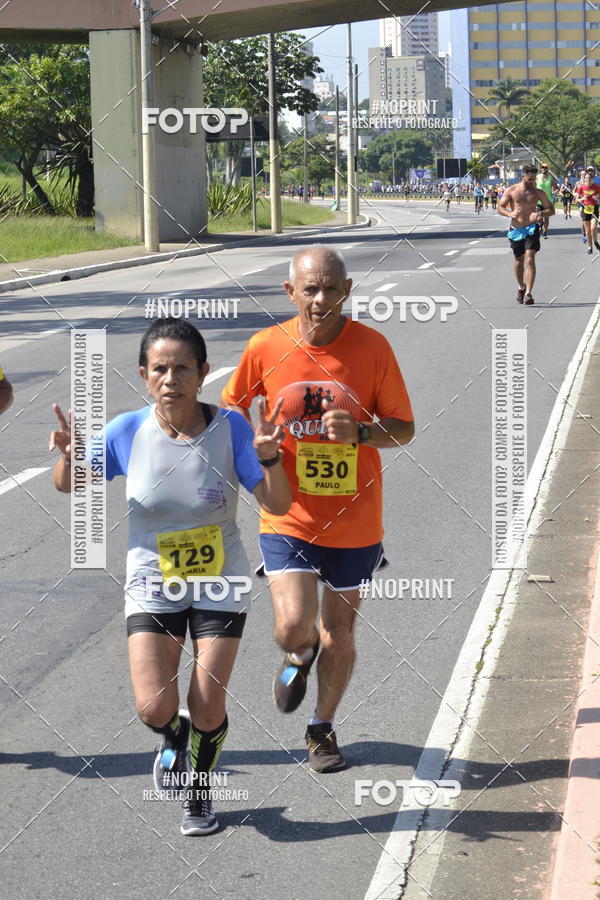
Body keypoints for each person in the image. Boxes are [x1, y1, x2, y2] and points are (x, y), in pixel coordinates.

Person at [49, 317, 290, 835]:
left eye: (182, 367)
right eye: (159, 368)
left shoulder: (232, 428)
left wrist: (270, 460)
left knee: (207, 704)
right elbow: (69, 484)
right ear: (143, 374)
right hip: (152, 582)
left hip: (220, 580)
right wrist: (69, 458)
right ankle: (174, 737)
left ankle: (199, 792)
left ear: (202, 372)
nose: (171, 378)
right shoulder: (127, 431)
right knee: (153, 706)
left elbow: (277, 503)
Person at [221, 246, 414, 773]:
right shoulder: (264, 347)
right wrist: (254, 449)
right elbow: (230, 413)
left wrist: (363, 433)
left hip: (356, 520)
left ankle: (321, 729)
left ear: (347, 291)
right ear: (291, 293)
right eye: (311, 289)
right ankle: (298, 653)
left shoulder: (373, 347)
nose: (321, 299)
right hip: (287, 514)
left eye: (331, 288)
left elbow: (404, 428)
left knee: (340, 633)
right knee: (292, 626)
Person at [497, 164, 555, 305]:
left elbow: (551, 210)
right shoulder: (512, 190)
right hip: (516, 229)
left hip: (531, 229)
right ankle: (521, 287)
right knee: (519, 260)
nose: (532, 182)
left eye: (534, 179)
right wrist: (510, 214)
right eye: (530, 179)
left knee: (530, 259)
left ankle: (528, 293)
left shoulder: (538, 193)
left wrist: (540, 213)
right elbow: (500, 207)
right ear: (522, 176)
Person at [574, 171, 600, 254]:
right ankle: (590, 247)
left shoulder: (596, 187)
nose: (587, 180)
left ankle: (595, 241)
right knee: (588, 231)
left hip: (594, 208)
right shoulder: (581, 187)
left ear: (592, 179)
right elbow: (576, 200)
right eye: (586, 178)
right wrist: (583, 198)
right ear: (584, 179)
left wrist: (597, 198)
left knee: (593, 228)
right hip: (585, 209)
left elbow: (599, 196)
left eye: (589, 178)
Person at [535, 163, 558, 238]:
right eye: (542, 167)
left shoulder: (551, 178)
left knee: (546, 217)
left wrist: (555, 192)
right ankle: (540, 226)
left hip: (548, 201)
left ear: (548, 169)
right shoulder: (537, 177)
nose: (544, 169)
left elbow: (556, 188)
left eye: (545, 168)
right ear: (541, 168)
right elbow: (533, 186)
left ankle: (545, 232)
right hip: (539, 201)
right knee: (539, 216)